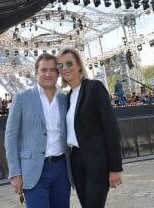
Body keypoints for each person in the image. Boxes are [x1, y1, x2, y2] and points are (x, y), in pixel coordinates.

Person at [56, 47, 123, 208]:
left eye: (69, 63)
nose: (65, 68)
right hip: (76, 161)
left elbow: (111, 129)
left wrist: (115, 168)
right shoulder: (68, 97)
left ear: (79, 65)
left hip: (97, 161)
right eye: (60, 66)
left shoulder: (94, 88)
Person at [5, 52, 73, 208]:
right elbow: (11, 137)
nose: (48, 74)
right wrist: (15, 173)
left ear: (58, 73)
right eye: (43, 70)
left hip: (62, 169)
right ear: (36, 73)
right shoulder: (21, 99)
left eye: (52, 70)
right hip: (34, 170)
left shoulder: (65, 100)